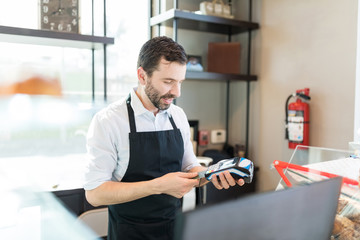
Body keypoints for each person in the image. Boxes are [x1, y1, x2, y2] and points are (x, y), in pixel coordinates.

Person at [84, 36, 245, 240]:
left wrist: (213, 174)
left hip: (175, 231)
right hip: (130, 234)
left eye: (180, 82)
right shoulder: (108, 121)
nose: (176, 92)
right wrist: (157, 185)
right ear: (142, 76)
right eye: (168, 82)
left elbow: (190, 168)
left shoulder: (177, 116)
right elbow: (95, 193)